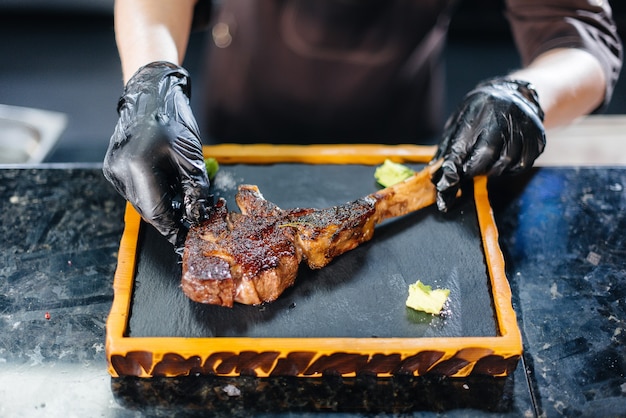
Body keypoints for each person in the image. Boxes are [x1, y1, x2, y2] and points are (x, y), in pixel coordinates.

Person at [103, 0, 622, 246]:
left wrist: (528, 95)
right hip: (236, 127)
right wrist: (152, 86)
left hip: (407, 144)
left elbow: (584, 39)